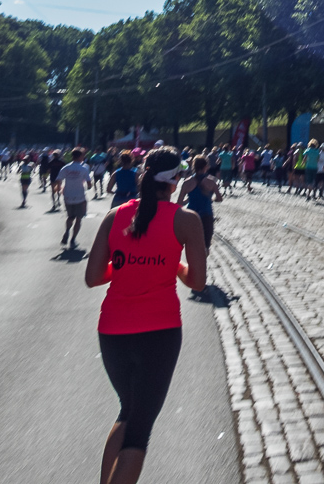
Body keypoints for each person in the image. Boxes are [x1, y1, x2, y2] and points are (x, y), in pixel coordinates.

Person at [84, 146, 206, 484]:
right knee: (139, 432)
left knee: (128, 411)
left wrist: (124, 266)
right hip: (160, 331)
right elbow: (197, 281)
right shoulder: (185, 220)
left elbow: (93, 277)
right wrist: (175, 266)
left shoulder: (115, 216)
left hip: (112, 330)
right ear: (175, 181)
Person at [176, 155, 223, 287]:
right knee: (205, 245)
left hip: (191, 216)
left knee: (191, 244)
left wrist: (189, 200)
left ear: (193, 166)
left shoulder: (187, 183)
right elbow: (219, 198)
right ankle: (201, 268)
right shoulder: (211, 182)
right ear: (206, 166)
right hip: (206, 215)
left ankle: (192, 269)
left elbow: (179, 203)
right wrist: (210, 199)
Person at [57, 147, 93, 247]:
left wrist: (60, 189)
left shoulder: (66, 168)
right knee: (78, 218)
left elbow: (59, 180)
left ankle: (67, 231)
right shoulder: (84, 168)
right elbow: (89, 183)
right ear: (80, 156)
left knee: (70, 217)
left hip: (68, 195)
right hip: (80, 196)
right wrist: (89, 186)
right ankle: (73, 239)